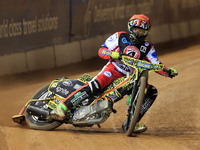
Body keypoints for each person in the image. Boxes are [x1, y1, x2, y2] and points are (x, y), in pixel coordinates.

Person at [50, 14, 178, 133]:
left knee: (151, 91)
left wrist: (168, 72)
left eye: (142, 31)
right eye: (136, 29)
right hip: (113, 69)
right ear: (130, 28)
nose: (138, 33)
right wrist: (112, 54)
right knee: (95, 86)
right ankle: (63, 107)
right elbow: (101, 50)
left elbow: (157, 64)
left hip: (131, 77)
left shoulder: (148, 47)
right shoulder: (120, 36)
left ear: (147, 32)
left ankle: (131, 123)